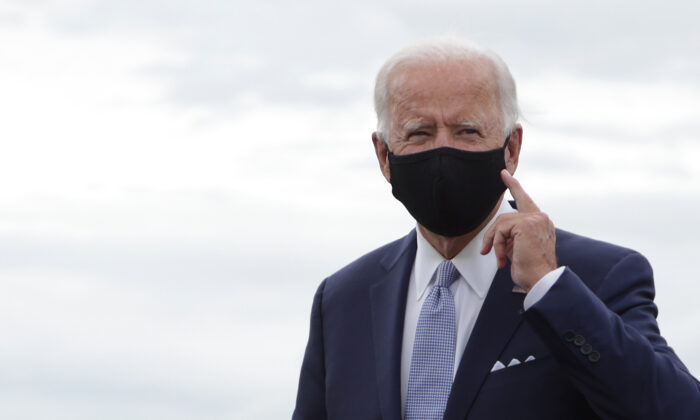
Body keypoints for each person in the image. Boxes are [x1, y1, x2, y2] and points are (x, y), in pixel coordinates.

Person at [292, 37, 700, 420]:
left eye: (467, 131)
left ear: (511, 148)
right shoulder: (342, 300)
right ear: (384, 155)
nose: (442, 150)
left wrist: (548, 288)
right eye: (420, 132)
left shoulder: (598, 278)